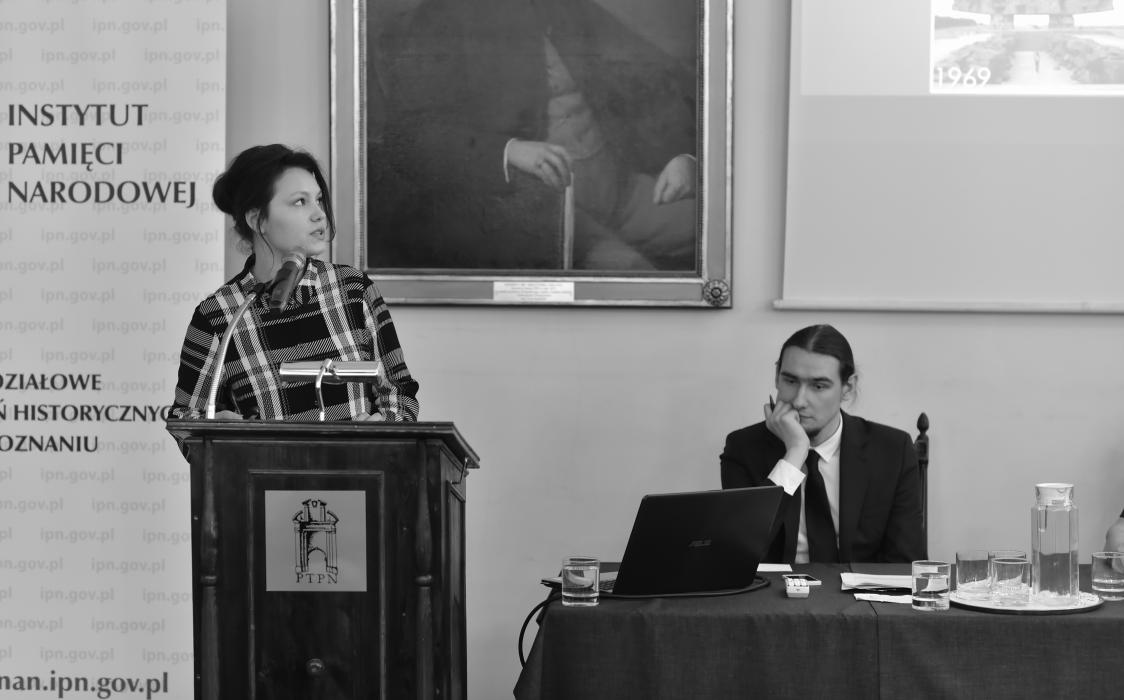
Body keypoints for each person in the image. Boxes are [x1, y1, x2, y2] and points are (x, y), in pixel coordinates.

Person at [370, 0, 698, 271]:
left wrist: (683, 155)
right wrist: (508, 150)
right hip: (543, 217)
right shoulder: (439, 17)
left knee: (714, 233)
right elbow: (409, 138)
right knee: (633, 275)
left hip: (621, 192)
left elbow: (653, 78)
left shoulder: (568, 7)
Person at [170, 144, 420, 423]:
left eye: (318, 200)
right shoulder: (218, 315)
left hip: (358, 455)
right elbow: (186, 418)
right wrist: (218, 429)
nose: (319, 214)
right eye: (300, 202)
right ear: (257, 220)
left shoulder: (354, 289)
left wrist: (384, 426)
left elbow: (400, 392)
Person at [719, 325, 924, 564]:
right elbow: (740, 555)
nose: (799, 401)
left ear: (848, 387)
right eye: (790, 380)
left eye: (818, 386)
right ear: (777, 376)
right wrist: (795, 453)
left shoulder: (892, 450)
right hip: (777, 587)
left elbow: (905, 564)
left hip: (858, 587)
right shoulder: (743, 448)